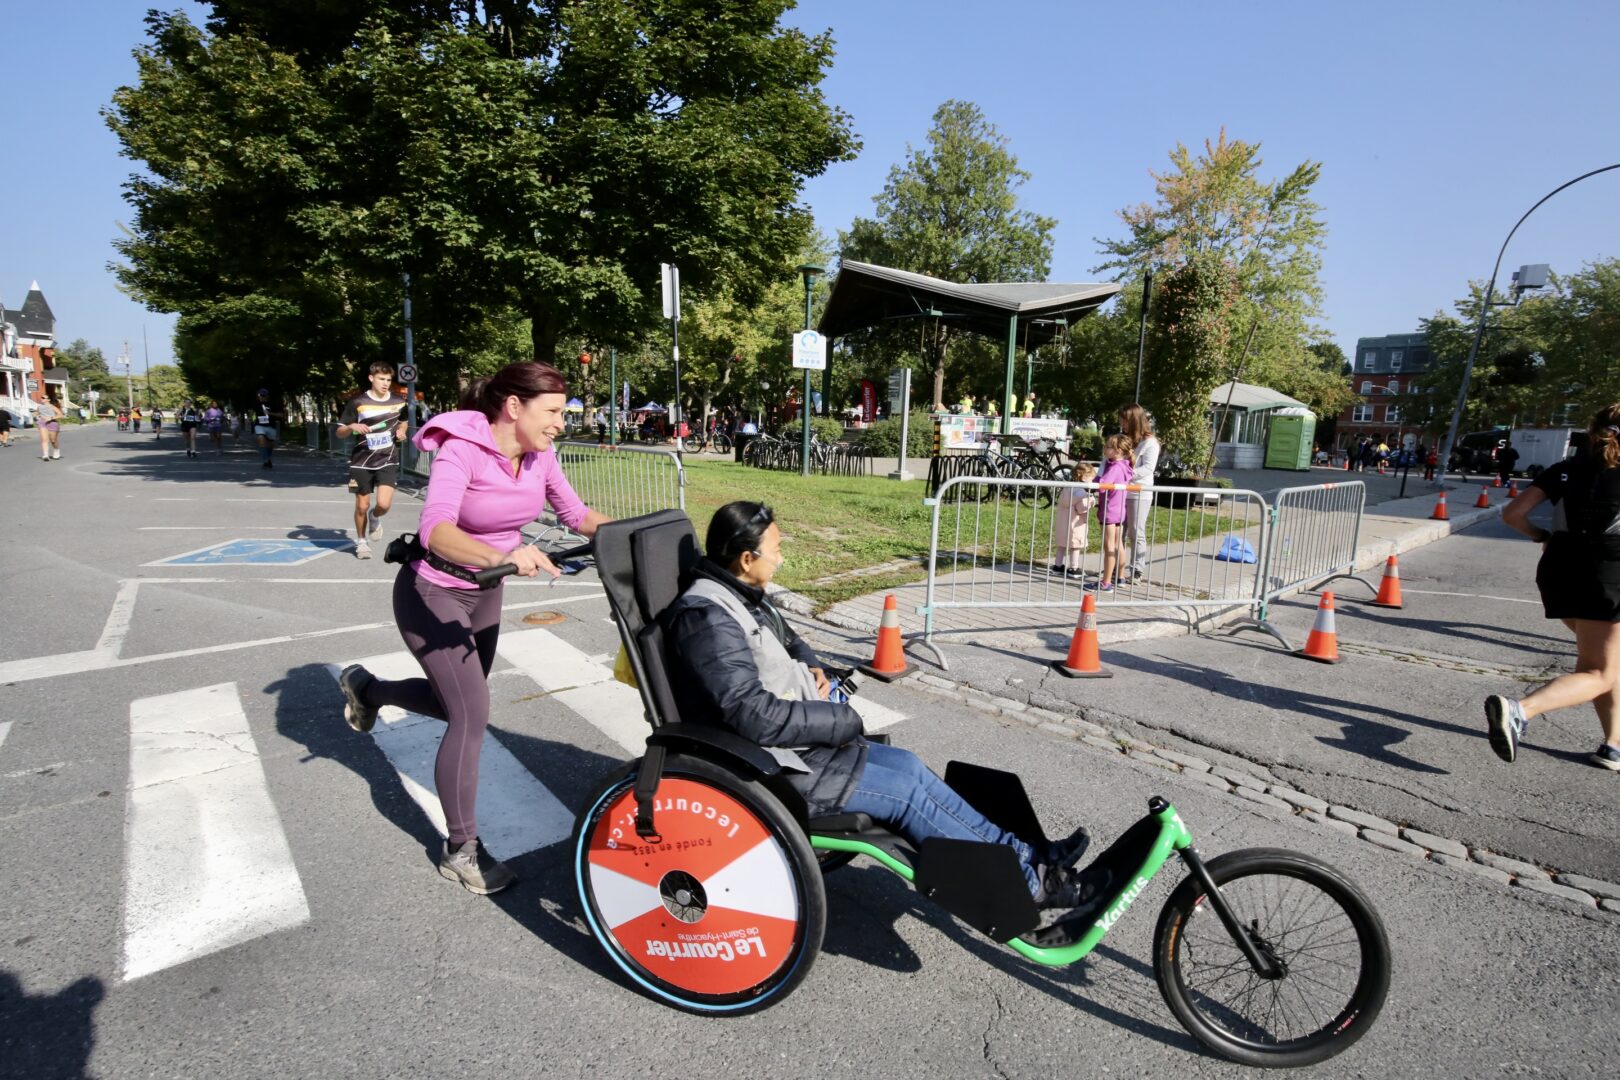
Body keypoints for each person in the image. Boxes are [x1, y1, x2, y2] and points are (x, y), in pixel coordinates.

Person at [664, 501, 1104, 911]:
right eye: (774, 551)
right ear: (745, 558)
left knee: (910, 766)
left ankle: (1024, 853)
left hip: (795, 743)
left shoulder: (739, 595)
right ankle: (1033, 886)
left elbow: (790, 641)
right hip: (774, 764)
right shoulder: (707, 617)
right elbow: (751, 715)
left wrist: (812, 667)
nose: (780, 559)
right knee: (906, 795)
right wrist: (837, 720)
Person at [335, 361, 611, 894]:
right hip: (431, 594)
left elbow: (575, 514)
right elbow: (435, 528)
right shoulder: (461, 448)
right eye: (552, 411)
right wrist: (501, 554)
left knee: (454, 703)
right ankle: (461, 849)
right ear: (514, 406)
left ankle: (367, 689)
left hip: (484, 594)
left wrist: (648, 528)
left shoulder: (541, 456)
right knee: (471, 712)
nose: (560, 423)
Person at [1486, 406, 1620, 771]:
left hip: (1559, 569)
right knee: (1600, 672)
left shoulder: (1565, 469)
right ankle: (1520, 711)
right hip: (1608, 573)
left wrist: (1542, 536)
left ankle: (1613, 745)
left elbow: (1513, 514)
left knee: (1602, 665)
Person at [337, 363, 409, 560]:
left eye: (388, 380)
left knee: (384, 504)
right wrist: (352, 426)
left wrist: (402, 431)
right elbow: (340, 431)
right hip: (362, 460)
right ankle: (361, 542)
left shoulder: (398, 401)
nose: (385, 383)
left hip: (387, 458)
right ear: (371, 379)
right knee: (361, 506)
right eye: (381, 379)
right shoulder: (358, 402)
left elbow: (403, 420)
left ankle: (375, 517)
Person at [1118, 404, 1160, 581]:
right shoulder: (1126, 440)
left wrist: (1126, 474)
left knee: (1136, 530)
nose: (1122, 423)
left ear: (1134, 420)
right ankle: (1116, 567)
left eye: (1125, 420)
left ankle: (1137, 569)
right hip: (1122, 490)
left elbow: (1148, 468)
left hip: (1139, 491)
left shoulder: (1150, 443)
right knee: (1119, 530)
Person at [1091, 434, 1135, 592]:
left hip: (1109, 511)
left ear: (1118, 451)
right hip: (1119, 510)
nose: (1105, 448)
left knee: (1109, 546)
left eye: (1108, 446)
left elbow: (1102, 485)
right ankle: (1120, 577)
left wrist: (1091, 482)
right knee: (1118, 544)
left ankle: (1106, 582)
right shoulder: (1125, 465)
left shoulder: (1115, 467)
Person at [1052, 462, 1098, 577]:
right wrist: (1091, 500)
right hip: (1076, 524)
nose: (1092, 481)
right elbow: (1081, 508)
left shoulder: (1068, 488)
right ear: (1083, 477)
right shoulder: (1082, 492)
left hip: (1063, 523)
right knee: (1075, 546)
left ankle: (1057, 566)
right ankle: (1073, 568)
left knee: (1062, 545)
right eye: (1091, 478)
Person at [252, 389, 283, 469]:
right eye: (259, 395)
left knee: (270, 445)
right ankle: (265, 460)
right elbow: (252, 413)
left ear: (267, 396)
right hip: (259, 425)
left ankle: (268, 459)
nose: (260, 397)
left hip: (271, 426)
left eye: (262, 395)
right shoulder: (256, 404)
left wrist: (270, 413)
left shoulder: (273, 404)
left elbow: (281, 415)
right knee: (261, 439)